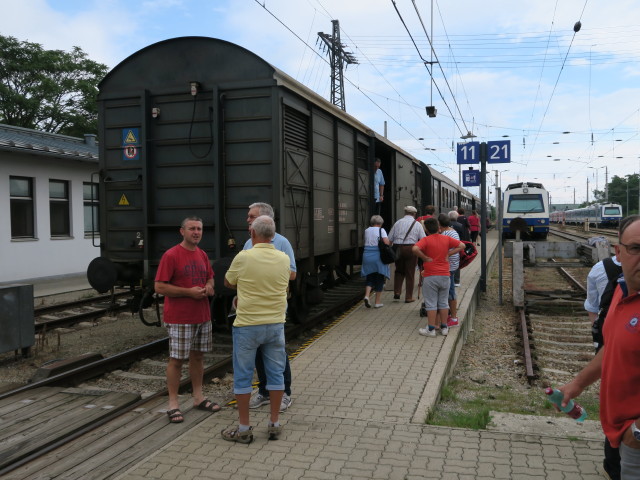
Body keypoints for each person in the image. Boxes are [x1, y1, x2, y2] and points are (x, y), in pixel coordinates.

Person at [558, 215, 640, 479]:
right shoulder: (622, 291)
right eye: (636, 248)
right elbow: (614, 346)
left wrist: (637, 433)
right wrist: (578, 383)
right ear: (619, 252)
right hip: (618, 431)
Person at [222, 215, 294, 443]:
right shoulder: (283, 259)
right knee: (276, 375)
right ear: (273, 235)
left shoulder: (243, 257)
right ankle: (274, 423)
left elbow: (228, 282)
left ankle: (244, 428)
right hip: (275, 325)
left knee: (243, 377)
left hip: (247, 325)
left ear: (253, 234)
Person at [154, 217, 220, 424]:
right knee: (177, 360)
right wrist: (188, 293)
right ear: (182, 231)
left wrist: (209, 286)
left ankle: (198, 397)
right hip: (180, 317)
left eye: (199, 229)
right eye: (192, 228)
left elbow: (210, 277)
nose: (196, 232)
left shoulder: (201, 254)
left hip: (202, 315)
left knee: (198, 357)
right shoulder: (171, 255)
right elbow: (159, 287)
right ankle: (173, 404)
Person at [243, 203, 296, 413]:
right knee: (258, 352)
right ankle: (264, 392)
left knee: (277, 352)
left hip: (273, 308)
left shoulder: (282, 242)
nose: (247, 219)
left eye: (251, 216)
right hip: (252, 308)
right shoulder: (248, 243)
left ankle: (285, 393)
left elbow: (292, 273)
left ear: (264, 220)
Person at [584, 254, 622, 480]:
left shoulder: (600, 268)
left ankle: (614, 462)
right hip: (613, 346)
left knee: (613, 404)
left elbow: (592, 307)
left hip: (607, 345)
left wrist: (599, 335)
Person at [412, 217, 464, 337]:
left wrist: (424, 258)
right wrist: (449, 253)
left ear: (426, 229)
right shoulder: (446, 238)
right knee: (443, 302)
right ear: (438, 228)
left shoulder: (426, 240)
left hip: (430, 275)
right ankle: (444, 327)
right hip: (445, 275)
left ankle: (431, 329)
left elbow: (414, 248)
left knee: (431, 303)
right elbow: (462, 245)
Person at [388, 206, 426, 303]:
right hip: (411, 249)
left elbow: (390, 238)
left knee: (399, 271)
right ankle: (408, 297)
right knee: (410, 273)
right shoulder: (417, 224)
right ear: (414, 214)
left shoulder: (397, 223)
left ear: (405, 213)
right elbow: (423, 239)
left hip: (398, 248)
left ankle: (397, 292)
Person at [362, 215, 391, 308]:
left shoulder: (366, 230)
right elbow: (386, 242)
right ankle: (377, 302)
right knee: (379, 278)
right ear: (381, 223)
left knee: (370, 277)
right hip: (378, 256)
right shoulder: (381, 230)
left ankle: (367, 296)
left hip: (367, 255)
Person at [437, 214, 461, 328]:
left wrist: (447, 254)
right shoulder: (453, 231)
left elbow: (459, 247)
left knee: (450, 292)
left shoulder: (446, 234)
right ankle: (448, 315)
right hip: (453, 265)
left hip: (449, 266)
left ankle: (453, 318)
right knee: (448, 291)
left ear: (439, 224)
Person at [448, 210, 468, 287]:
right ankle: (457, 281)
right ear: (457, 217)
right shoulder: (460, 225)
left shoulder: (447, 225)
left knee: (449, 262)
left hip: (448, 247)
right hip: (458, 247)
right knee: (457, 262)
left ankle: (449, 279)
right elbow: (463, 236)